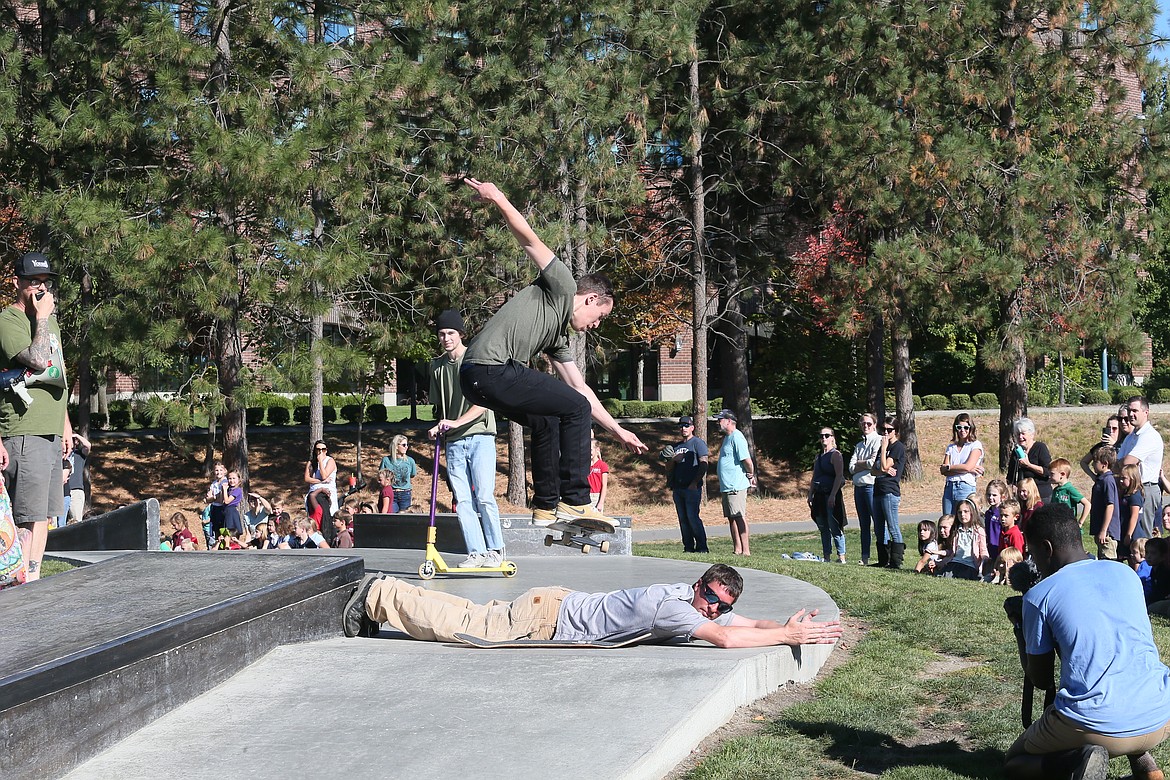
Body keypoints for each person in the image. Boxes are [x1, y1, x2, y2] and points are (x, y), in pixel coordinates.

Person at [457, 178, 648, 528]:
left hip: (475, 378)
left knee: (548, 419)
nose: (596, 325)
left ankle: (546, 506)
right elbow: (528, 238)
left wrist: (617, 431)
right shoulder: (562, 284)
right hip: (490, 368)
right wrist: (498, 196)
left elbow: (583, 389)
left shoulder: (557, 337)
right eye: (600, 317)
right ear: (591, 299)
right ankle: (576, 501)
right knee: (572, 408)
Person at [1004, 502, 1170, 780]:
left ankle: (1076, 762)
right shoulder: (1127, 574)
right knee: (1122, 678)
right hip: (1160, 713)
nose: (1035, 563)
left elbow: (1041, 679)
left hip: (1096, 724)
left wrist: (1020, 627)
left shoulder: (1039, 596)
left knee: (1014, 761)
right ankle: (1148, 770)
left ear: (1046, 548)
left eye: (1033, 554)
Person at [343, 563, 843, 649]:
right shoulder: (673, 609)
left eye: (720, 605)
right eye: (711, 598)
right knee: (468, 628)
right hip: (547, 617)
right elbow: (732, 637)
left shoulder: (688, 600)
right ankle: (380, 596)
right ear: (699, 587)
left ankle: (389, 593)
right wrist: (789, 637)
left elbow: (744, 622)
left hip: (553, 604)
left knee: (475, 614)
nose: (713, 610)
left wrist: (784, 624)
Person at [0, 252, 75, 582]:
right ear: (18, 283)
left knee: (44, 515)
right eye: (33, 283)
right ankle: (17, 584)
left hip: (50, 430)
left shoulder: (48, 320)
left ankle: (33, 580)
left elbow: (57, 375)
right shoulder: (9, 320)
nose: (41, 289)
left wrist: (65, 424)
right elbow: (38, 360)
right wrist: (42, 318)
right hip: (24, 430)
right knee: (26, 516)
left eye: (45, 283)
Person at [426, 309, 505, 568]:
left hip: (480, 436)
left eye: (450, 333)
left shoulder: (475, 360)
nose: (446, 338)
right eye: (441, 334)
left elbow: (484, 401)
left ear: (461, 334)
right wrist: (438, 427)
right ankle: (476, 552)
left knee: (483, 496)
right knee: (462, 500)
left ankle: (495, 550)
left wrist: (458, 422)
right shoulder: (437, 367)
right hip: (454, 441)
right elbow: (440, 409)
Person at [1118, 396, 1164, 540]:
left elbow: (1127, 461)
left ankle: (1147, 563)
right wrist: (1122, 462)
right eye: (1130, 410)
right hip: (1130, 489)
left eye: (1135, 410)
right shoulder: (1131, 437)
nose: (1131, 414)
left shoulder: (1149, 436)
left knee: (1143, 539)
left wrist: (1123, 462)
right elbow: (1119, 461)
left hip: (1147, 490)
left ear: (1146, 412)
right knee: (1129, 537)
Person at [667, 415, 709, 554]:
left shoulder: (698, 443)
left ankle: (702, 547)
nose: (683, 428)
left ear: (692, 427)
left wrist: (694, 483)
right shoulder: (676, 446)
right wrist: (672, 460)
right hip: (678, 488)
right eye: (681, 426)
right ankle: (688, 547)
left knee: (692, 517)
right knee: (683, 520)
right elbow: (668, 468)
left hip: (692, 488)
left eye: (686, 426)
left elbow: (704, 464)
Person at [716, 409, 755, 557]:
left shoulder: (737, 437)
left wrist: (750, 474)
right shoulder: (727, 437)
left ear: (729, 421)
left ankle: (746, 550)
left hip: (735, 486)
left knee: (739, 516)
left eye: (720, 419)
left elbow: (747, 460)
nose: (718, 422)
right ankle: (737, 549)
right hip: (726, 486)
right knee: (731, 517)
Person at [848, 413, 883, 566]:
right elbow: (850, 468)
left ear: (874, 424)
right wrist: (864, 463)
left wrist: (860, 464)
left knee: (878, 522)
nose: (866, 426)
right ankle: (865, 557)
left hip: (871, 486)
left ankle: (884, 555)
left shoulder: (879, 440)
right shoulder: (859, 445)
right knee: (864, 525)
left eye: (869, 423)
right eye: (863, 424)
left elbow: (872, 463)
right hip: (859, 487)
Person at [808, 426, 846, 564]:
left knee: (834, 524)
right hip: (819, 494)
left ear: (832, 437)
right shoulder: (818, 457)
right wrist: (810, 493)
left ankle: (841, 556)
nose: (824, 438)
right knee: (822, 526)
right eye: (821, 436)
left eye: (827, 435)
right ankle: (827, 556)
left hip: (831, 494)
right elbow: (814, 477)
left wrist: (833, 495)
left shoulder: (835, 455)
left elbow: (839, 476)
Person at [872, 416, 906, 568]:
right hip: (878, 490)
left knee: (892, 526)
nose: (886, 432)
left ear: (896, 431)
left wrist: (885, 449)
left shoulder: (897, 447)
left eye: (889, 430)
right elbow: (874, 470)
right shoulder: (882, 447)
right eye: (883, 429)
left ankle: (896, 562)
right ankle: (882, 560)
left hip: (889, 491)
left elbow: (885, 466)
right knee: (879, 527)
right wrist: (883, 468)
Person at [939, 413, 984, 515]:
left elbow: (967, 467)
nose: (962, 430)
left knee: (964, 519)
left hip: (965, 487)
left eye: (966, 427)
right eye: (959, 427)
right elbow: (943, 470)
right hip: (949, 487)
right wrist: (963, 469)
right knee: (948, 519)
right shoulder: (951, 447)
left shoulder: (975, 445)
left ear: (971, 428)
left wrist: (950, 467)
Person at [938, 497, 987, 580]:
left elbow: (983, 550)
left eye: (966, 511)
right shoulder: (956, 529)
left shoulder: (979, 531)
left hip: (970, 565)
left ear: (972, 513)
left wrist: (984, 560)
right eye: (960, 512)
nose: (962, 515)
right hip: (955, 562)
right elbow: (952, 550)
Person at [1006, 418, 1053, 504]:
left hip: (1041, 495)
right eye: (1018, 434)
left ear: (1032, 434)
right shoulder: (1016, 451)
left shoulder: (1040, 447)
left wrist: (1029, 465)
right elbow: (1010, 476)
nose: (1020, 437)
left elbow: (1048, 472)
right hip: (1023, 496)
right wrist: (1013, 486)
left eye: (1023, 434)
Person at [1088, 446, 1120, 561]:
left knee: (1108, 560)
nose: (1092, 465)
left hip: (1107, 533)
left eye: (1095, 462)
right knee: (1102, 559)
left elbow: (1110, 506)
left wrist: (1104, 530)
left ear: (1104, 464)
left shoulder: (1107, 481)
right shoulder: (1101, 479)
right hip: (1101, 530)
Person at [304, 439, 338, 528]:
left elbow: (324, 475)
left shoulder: (330, 461)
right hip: (314, 493)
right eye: (318, 450)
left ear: (326, 450)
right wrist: (321, 481)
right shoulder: (311, 463)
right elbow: (307, 478)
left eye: (323, 449)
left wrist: (320, 462)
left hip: (326, 493)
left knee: (326, 516)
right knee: (315, 516)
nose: (320, 452)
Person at [1048, 459, 1088, 532]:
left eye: (1052, 474)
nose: (1049, 477)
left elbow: (1087, 504)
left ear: (1062, 474)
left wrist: (1080, 522)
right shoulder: (1055, 490)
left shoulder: (1069, 489)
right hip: (1057, 527)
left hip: (1069, 528)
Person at [379, 435, 416, 513]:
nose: (406, 447)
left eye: (407, 445)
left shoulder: (410, 461)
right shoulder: (386, 460)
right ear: (396, 446)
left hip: (405, 493)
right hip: (391, 493)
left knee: (405, 518)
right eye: (403, 445)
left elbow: (412, 474)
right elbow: (381, 475)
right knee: (392, 517)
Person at [1079, 414, 1122, 479]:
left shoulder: (1123, 446)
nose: (1111, 431)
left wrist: (1113, 446)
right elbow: (1083, 462)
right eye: (1108, 428)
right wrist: (1093, 477)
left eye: (1114, 428)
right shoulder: (1100, 446)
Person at [66, 431, 91, 523]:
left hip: (76, 491)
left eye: (71, 440)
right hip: (62, 491)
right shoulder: (60, 455)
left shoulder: (79, 454)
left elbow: (88, 446)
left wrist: (76, 436)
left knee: (76, 520)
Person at [984, 478, 1009, 563]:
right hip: (990, 548)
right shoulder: (988, 513)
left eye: (994, 495)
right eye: (989, 494)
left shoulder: (1004, 514)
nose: (990, 497)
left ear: (1002, 496)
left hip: (1000, 548)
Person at [588, 438, 609, 514]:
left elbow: (604, 485)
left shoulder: (602, 465)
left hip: (596, 496)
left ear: (597, 449)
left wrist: (601, 503)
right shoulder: (584, 465)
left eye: (590, 450)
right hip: (585, 495)